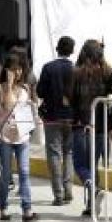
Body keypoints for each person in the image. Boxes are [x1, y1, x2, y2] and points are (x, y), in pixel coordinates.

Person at [70, 39, 112, 218]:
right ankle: (92, 205)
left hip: (81, 125)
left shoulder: (77, 72)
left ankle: (93, 192)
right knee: (92, 165)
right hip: (101, 126)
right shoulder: (108, 71)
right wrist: (111, 125)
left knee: (80, 164)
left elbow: (69, 99)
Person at [0, 53, 38, 222]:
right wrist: (10, 84)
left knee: (25, 172)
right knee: (6, 174)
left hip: (22, 135)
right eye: (14, 69)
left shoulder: (26, 88)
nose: (18, 72)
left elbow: (31, 106)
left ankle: (27, 210)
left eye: (20, 68)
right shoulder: (1, 88)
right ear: (7, 70)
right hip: (6, 136)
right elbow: (6, 104)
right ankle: (3, 207)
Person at [37, 36, 75, 206]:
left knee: (54, 153)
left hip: (52, 116)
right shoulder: (76, 69)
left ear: (57, 48)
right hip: (72, 117)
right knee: (68, 153)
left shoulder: (48, 68)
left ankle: (58, 193)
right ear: (72, 51)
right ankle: (68, 190)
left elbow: (40, 92)